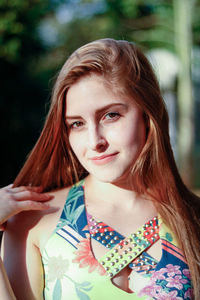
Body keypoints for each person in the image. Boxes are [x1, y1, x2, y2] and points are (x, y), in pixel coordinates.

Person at [1, 38, 200, 300]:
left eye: (111, 115)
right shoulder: (31, 222)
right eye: (77, 124)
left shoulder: (191, 218)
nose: (95, 141)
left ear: (147, 114)